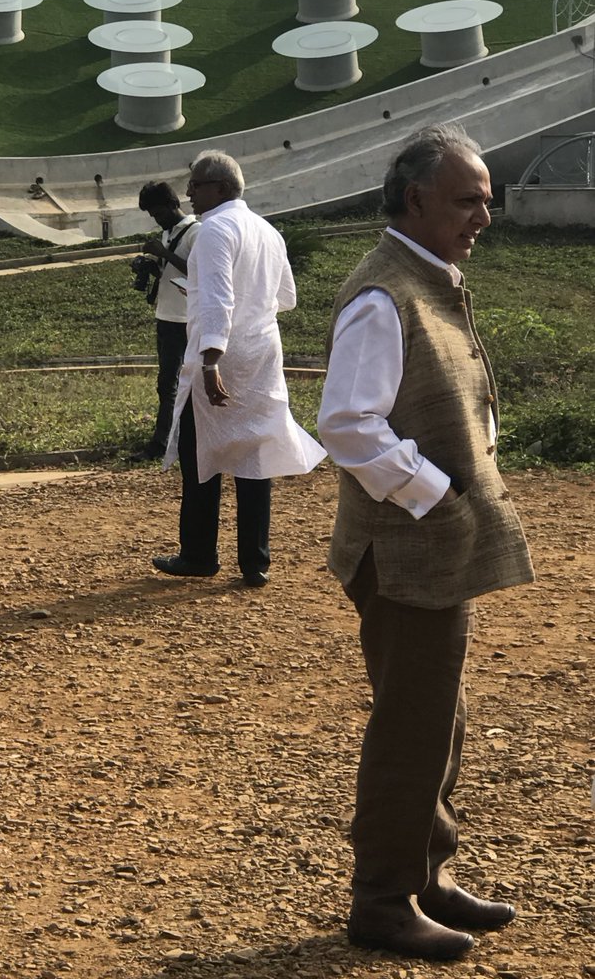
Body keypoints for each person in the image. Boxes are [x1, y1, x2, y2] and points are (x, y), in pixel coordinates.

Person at [317, 123, 535, 962]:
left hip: (428, 548)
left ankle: (425, 876)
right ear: (414, 200)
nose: (485, 213)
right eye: (467, 199)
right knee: (410, 725)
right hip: (404, 551)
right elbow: (346, 424)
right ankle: (380, 900)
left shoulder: (426, 278)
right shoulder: (384, 295)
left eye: (486, 198)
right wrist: (434, 492)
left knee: (439, 717)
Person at [153, 150, 326, 587]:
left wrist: (211, 360)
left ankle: (198, 553)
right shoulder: (267, 230)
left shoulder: (214, 230)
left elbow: (216, 297)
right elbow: (286, 296)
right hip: (262, 353)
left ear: (223, 189)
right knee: (255, 455)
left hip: (224, 354)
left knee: (199, 454)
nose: (188, 192)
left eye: (196, 184)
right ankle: (255, 561)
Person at [131, 181, 201, 462]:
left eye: (158, 213)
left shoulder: (196, 232)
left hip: (186, 319)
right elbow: (171, 273)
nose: (156, 219)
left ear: (174, 204)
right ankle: (168, 439)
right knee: (166, 383)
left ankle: (163, 445)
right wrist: (151, 266)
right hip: (166, 316)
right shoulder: (168, 232)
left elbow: (198, 272)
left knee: (180, 384)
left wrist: (164, 254)